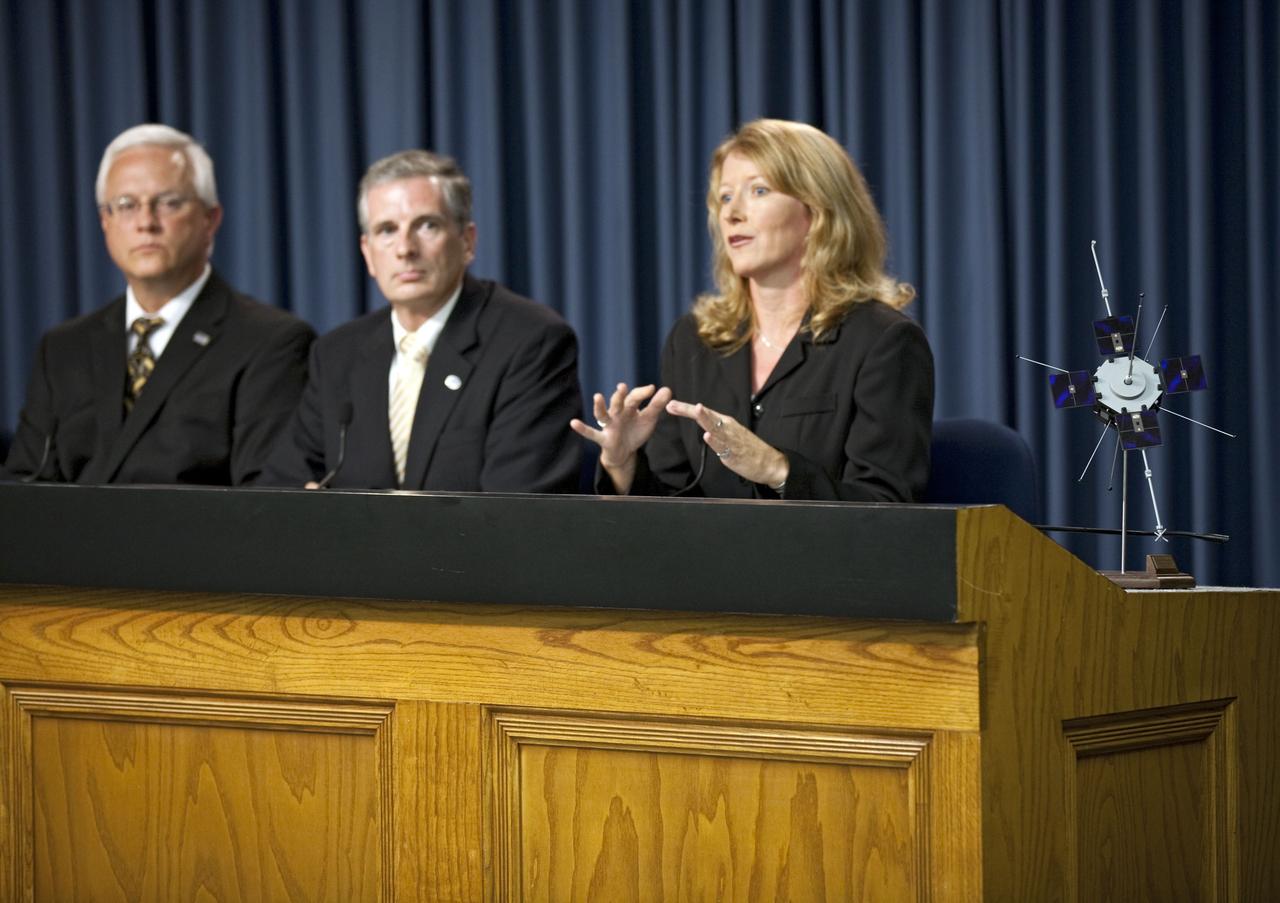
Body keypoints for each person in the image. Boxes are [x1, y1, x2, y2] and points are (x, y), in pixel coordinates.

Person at [571, 118, 933, 501]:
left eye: (758, 191)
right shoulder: (695, 340)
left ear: (818, 211)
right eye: (725, 197)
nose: (732, 214)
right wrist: (623, 464)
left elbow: (887, 509)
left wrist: (777, 469)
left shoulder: (883, 341)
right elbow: (672, 504)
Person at [4, 124, 314, 485]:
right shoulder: (62, 348)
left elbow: (263, 504)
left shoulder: (271, 343)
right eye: (126, 205)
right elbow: (22, 493)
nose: (145, 223)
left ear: (210, 219)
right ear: (105, 221)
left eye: (168, 203)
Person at [262, 150, 582, 492]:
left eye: (427, 225)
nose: (405, 248)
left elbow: (518, 508)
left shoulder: (530, 342)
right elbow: (282, 488)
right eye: (387, 230)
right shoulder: (337, 354)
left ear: (467, 241)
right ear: (368, 254)